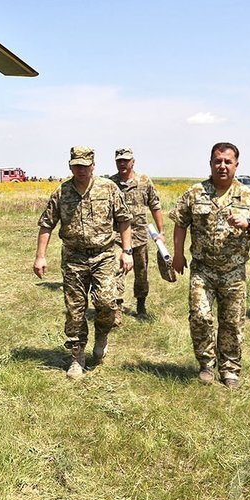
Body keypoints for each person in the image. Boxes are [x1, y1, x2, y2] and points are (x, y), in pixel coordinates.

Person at [170, 142, 250, 389]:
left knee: (232, 322)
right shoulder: (195, 192)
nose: (222, 166)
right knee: (201, 317)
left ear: (236, 164)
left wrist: (248, 223)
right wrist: (178, 254)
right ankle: (206, 364)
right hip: (202, 269)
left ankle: (230, 369)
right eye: (218, 161)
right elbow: (181, 222)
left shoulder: (247, 195)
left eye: (228, 161)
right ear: (211, 163)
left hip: (233, 272)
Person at [35, 146, 134, 380]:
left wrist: (127, 251)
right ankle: (77, 358)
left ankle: (102, 335)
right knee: (75, 310)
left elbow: (124, 220)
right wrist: (40, 255)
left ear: (93, 166)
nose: (80, 170)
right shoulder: (62, 192)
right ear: (70, 166)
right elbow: (47, 224)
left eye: (84, 165)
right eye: (76, 165)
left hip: (104, 255)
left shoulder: (108, 188)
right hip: (74, 257)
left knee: (108, 303)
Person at [109, 147, 165, 318]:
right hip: (117, 236)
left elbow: (155, 205)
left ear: (133, 162)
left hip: (140, 236)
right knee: (116, 271)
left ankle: (141, 305)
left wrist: (161, 231)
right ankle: (116, 307)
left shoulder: (144, 181)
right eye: (119, 161)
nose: (122, 164)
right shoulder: (111, 184)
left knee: (141, 273)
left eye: (126, 160)